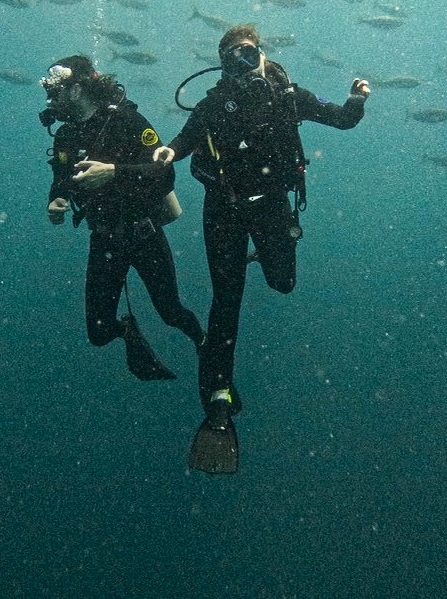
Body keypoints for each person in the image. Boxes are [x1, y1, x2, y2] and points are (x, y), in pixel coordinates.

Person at [154, 25, 371, 473]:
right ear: (222, 64)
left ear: (263, 55)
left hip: (271, 208)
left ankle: (258, 259)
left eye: (249, 55)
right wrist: (165, 154)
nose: (243, 64)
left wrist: (356, 101)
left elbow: (341, 119)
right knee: (225, 301)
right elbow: (183, 141)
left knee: (283, 283)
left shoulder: (287, 95)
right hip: (224, 210)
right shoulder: (214, 103)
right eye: (233, 58)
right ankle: (217, 397)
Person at [39, 55, 204, 383]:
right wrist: (57, 199)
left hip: (143, 234)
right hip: (103, 238)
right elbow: (62, 176)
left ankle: (205, 344)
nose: (50, 99)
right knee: (99, 332)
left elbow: (164, 175)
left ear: (78, 88)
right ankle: (128, 331)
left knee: (171, 312)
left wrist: (113, 173)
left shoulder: (129, 122)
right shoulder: (66, 137)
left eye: (56, 90)